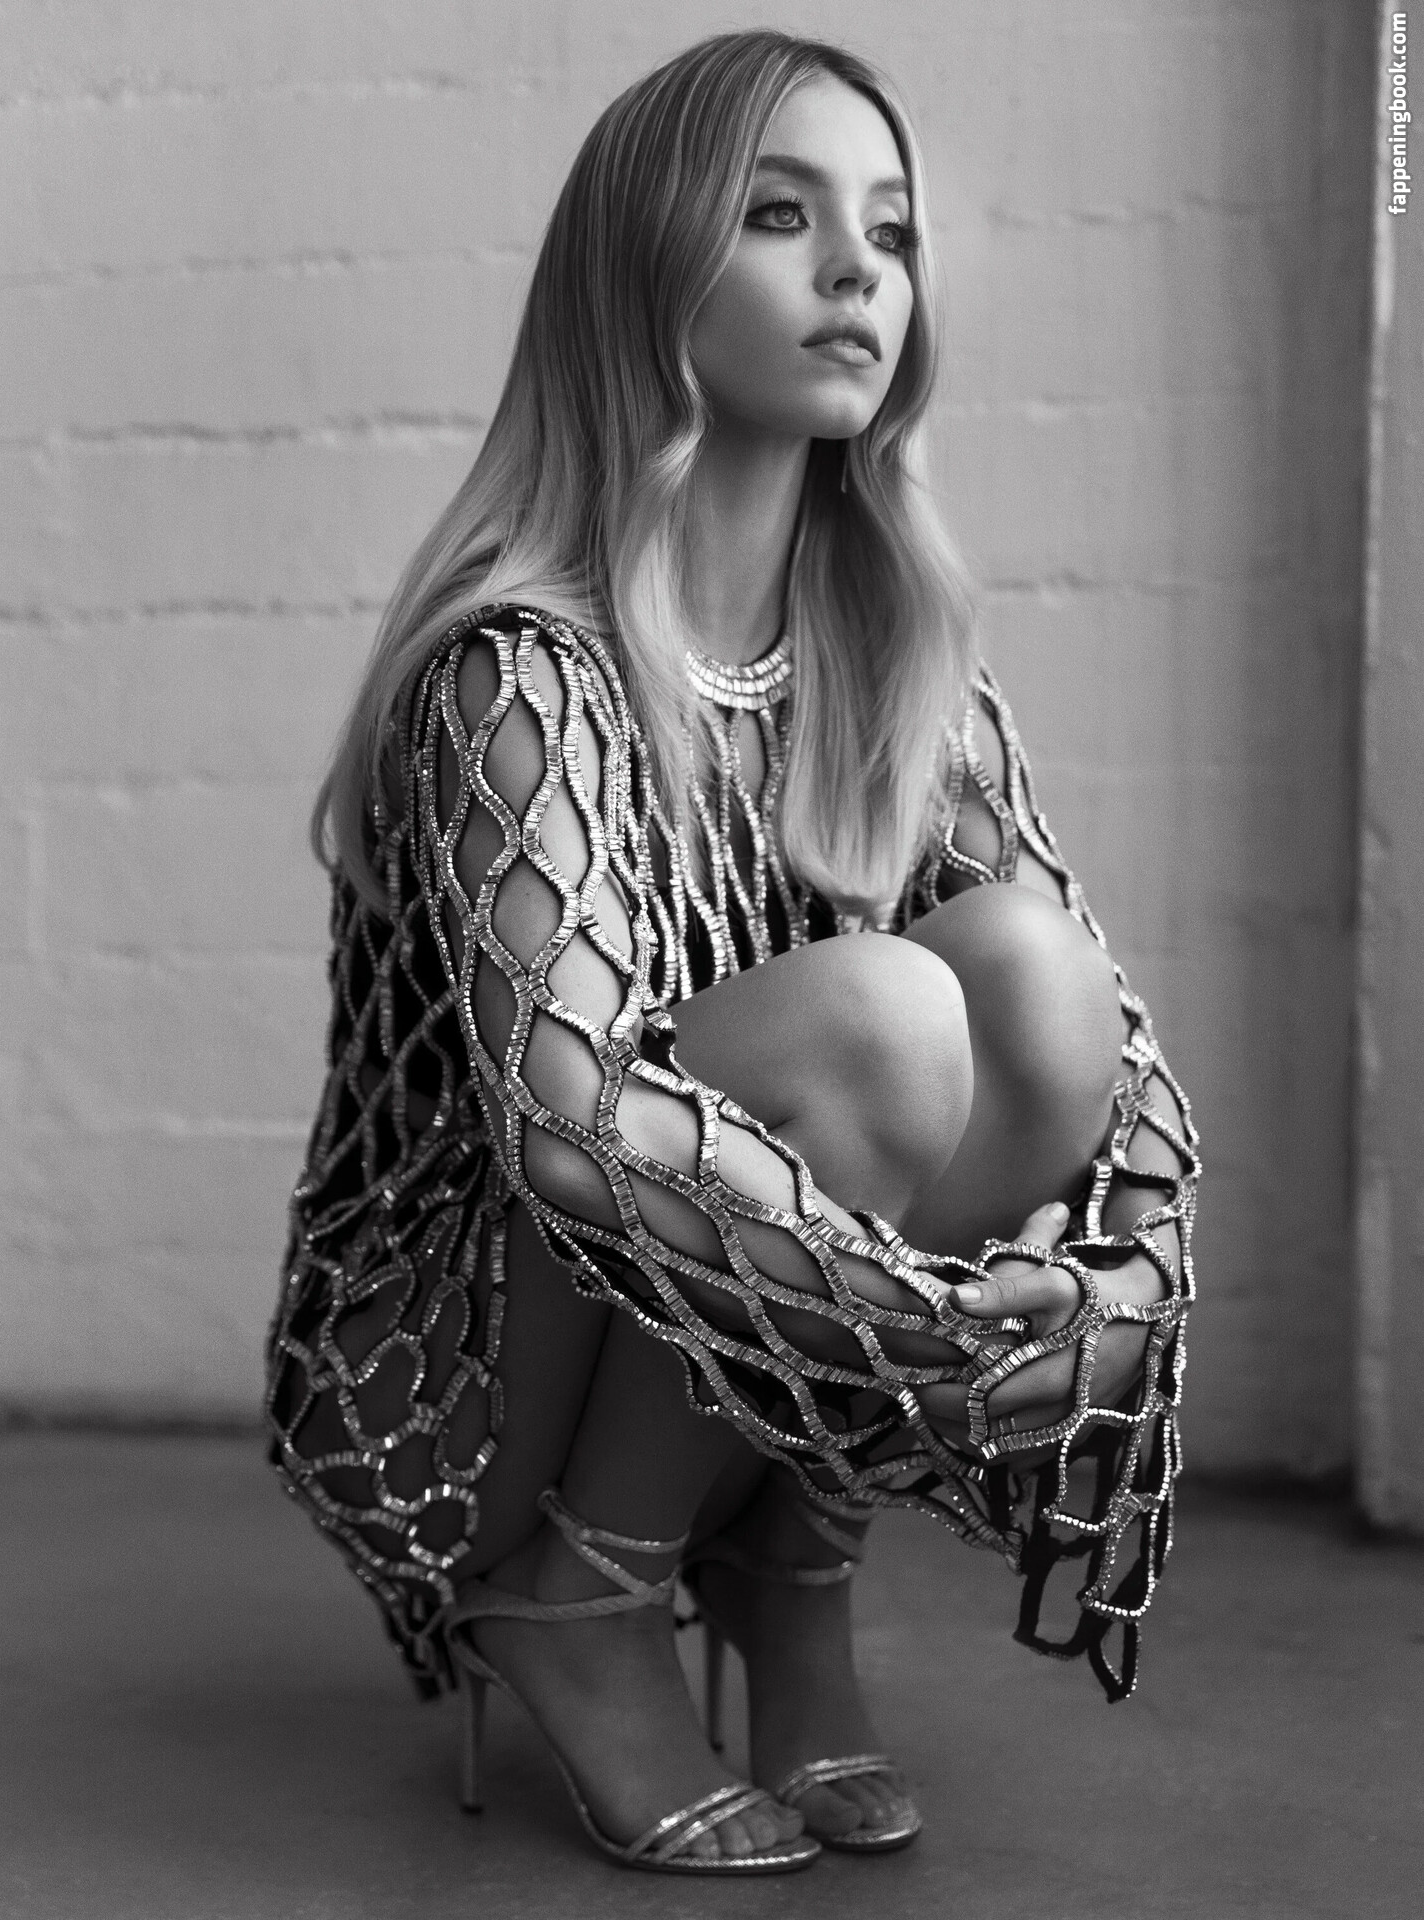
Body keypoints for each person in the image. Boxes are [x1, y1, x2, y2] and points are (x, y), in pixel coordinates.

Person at [266, 28, 1198, 1876]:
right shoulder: (516, 672)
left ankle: (789, 1557)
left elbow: (1109, 1044)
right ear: (646, 269)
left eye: (890, 231)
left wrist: (1128, 1274)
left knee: (1026, 974)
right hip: (464, 1350)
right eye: (779, 217)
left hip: (753, 1310)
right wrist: (918, 1322)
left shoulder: (893, 654)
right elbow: (564, 1126)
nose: (857, 270)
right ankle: (578, 1591)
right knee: (882, 1018)